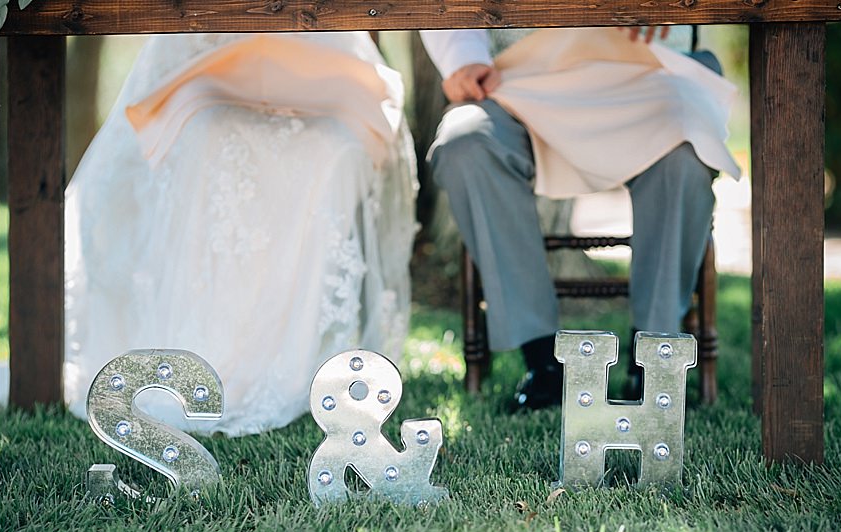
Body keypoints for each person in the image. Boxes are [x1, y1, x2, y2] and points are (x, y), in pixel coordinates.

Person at [59, 32, 417, 436]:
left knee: (331, 152)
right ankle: (212, 353)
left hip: (322, 57)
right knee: (210, 140)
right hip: (202, 56)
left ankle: (293, 361)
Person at [420, 27, 740, 410]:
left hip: (645, 68)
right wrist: (463, 56)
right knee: (465, 145)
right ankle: (543, 362)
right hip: (519, 78)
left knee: (686, 154)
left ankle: (653, 359)